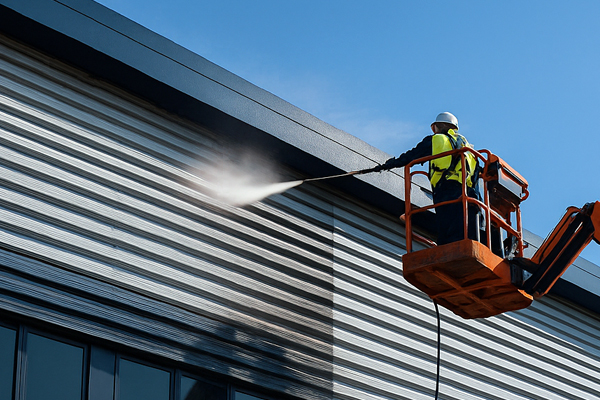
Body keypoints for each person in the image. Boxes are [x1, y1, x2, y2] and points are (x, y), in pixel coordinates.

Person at [373, 112, 482, 245]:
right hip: (466, 194)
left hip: (446, 191)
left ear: (439, 126)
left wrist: (388, 165)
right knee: (460, 228)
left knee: (446, 230)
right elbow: (476, 176)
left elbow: (412, 156)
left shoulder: (437, 140)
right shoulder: (468, 150)